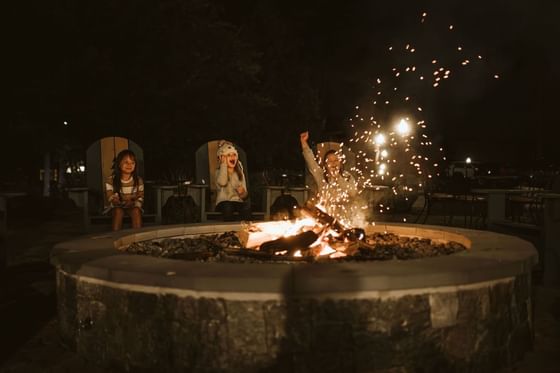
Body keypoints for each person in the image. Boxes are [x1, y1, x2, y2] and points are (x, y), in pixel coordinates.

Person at [300, 131, 360, 226]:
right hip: (326, 216)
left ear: (340, 163)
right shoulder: (321, 175)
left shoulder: (347, 176)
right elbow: (311, 161)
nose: (333, 163)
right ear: (325, 165)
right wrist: (303, 142)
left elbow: (353, 192)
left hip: (345, 217)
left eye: (336, 160)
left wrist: (338, 178)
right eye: (330, 161)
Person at [105, 149, 144, 231]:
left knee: (136, 211)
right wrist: (115, 200)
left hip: (132, 206)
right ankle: (116, 236)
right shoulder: (111, 180)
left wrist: (134, 203)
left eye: (132, 163)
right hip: (116, 206)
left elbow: (140, 197)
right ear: (119, 164)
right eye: (126, 162)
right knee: (118, 212)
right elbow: (110, 197)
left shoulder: (138, 180)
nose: (129, 165)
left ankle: (137, 237)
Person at [215, 141, 252, 221]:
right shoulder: (219, 172)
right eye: (228, 155)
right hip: (223, 202)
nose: (232, 157)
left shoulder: (239, 173)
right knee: (228, 207)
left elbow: (245, 195)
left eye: (234, 155)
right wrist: (223, 165)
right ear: (222, 158)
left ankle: (244, 228)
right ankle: (229, 230)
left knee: (246, 207)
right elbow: (222, 182)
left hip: (237, 201)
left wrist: (242, 193)